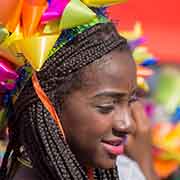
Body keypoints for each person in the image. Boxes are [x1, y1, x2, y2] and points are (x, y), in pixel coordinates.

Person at [0, 22, 158, 180]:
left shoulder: (126, 172)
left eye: (131, 101)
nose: (128, 124)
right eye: (107, 106)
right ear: (48, 105)